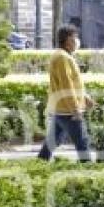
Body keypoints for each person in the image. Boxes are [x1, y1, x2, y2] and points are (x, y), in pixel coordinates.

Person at [38, 25, 94, 162]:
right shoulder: (62, 58)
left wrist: (85, 97)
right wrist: (75, 109)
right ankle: (90, 174)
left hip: (60, 108)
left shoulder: (62, 56)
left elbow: (72, 83)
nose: (76, 41)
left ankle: (39, 165)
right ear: (67, 40)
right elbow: (66, 85)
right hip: (68, 111)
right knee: (82, 143)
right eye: (74, 38)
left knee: (50, 143)